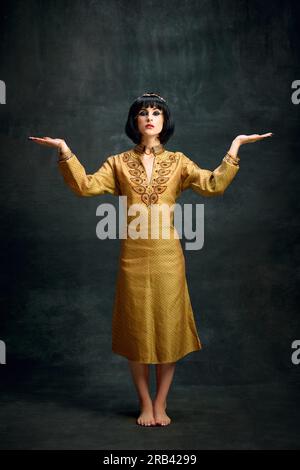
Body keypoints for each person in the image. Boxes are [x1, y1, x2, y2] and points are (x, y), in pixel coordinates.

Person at [28, 92, 273, 427]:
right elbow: (84, 186)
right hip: (134, 256)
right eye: (144, 113)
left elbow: (213, 185)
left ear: (163, 121)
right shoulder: (117, 163)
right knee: (137, 329)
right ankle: (144, 402)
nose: (150, 118)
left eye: (156, 113)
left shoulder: (179, 162)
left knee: (168, 329)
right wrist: (64, 150)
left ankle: (161, 403)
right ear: (135, 121)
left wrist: (236, 146)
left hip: (168, 256)